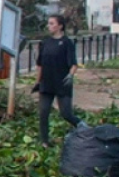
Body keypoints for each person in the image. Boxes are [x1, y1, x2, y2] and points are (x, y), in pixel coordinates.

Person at [33, 15, 83, 148]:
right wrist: (37, 82)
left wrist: (71, 76)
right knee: (43, 113)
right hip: (46, 82)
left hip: (62, 83)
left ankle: (84, 128)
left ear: (60, 26)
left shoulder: (67, 43)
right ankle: (44, 141)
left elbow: (73, 64)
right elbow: (40, 65)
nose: (49, 26)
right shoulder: (45, 43)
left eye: (51, 23)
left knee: (66, 113)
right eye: (48, 24)